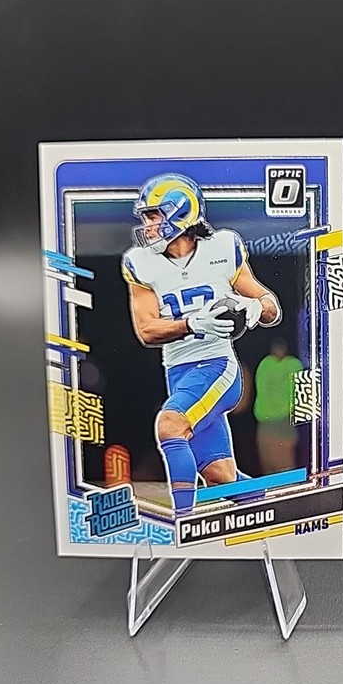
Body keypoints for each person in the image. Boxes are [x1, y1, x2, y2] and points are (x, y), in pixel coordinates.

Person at [121, 173, 281, 516]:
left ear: (180, 211)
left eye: (153, 215)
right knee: (219, 475)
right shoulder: (140, 263)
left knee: (169, 426)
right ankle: (271, 505)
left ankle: (183, 522)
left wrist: (254, 309)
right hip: (177, 372)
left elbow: (270, 307)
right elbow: (146, 330)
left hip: (217, 366)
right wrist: (192, 323)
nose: (147, 225)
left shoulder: (222, 247)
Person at [253, 337, 303, 474]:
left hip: (284, 419)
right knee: (268, 462)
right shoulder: (266, 364)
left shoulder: (293, 364)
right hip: (265, 420)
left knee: (284, 463)